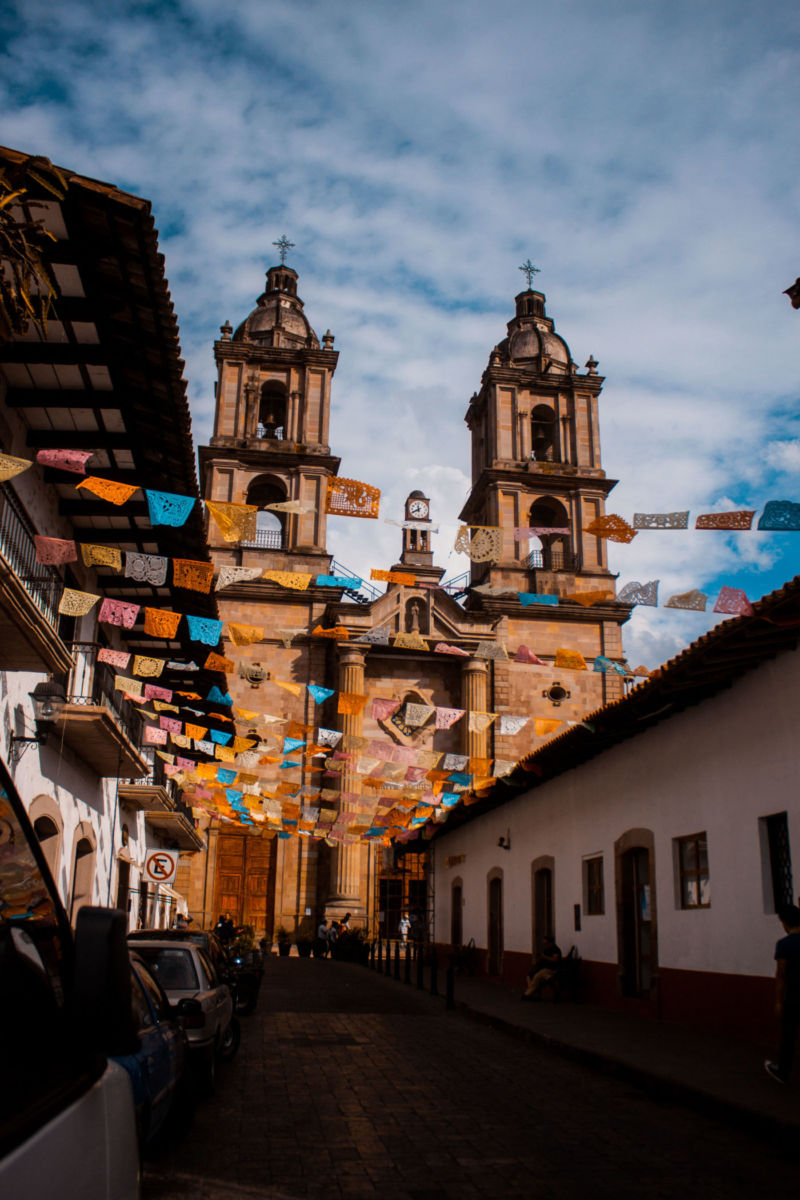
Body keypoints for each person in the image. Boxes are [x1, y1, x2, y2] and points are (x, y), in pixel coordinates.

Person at [765, 903, 800, 1083]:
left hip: (793, 996)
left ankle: (783, 1071)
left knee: (789, 1036)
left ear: (785, 923)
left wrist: (778, 1001)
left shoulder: (784, 944)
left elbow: (781, 975)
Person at [522, 935, 563, 1000]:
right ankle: (532, 990)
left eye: (546, 943)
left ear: (551, 943)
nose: (545, 945)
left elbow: (555, 960)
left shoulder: (555, 950)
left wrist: (544, 957)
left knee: (537, 977)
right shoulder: (546, 949)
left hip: (550, 969)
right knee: (529, 976)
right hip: (542, 968)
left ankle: (528, 994)